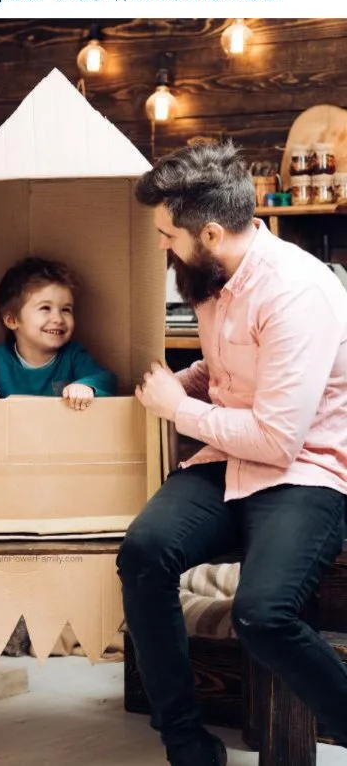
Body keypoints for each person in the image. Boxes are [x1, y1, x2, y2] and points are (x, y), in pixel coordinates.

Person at [117, 141, 347, 766]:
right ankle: (187, 743)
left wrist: (177, 409)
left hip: (304, 471)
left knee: (262, 614)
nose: (163, 246)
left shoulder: (297, 292)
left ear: (211, 232)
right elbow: (233, 373)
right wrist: (188, 380)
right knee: (142, 554)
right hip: (224, 461)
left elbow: (277, 440)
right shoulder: (209, 276)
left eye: (168, 235)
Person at [0, 256, 117, 409]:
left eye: (66, 309)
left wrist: (86, 387)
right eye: (45, 308)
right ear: (12, 320)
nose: (58, 318)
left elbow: (107, 380)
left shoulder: (73, 356)